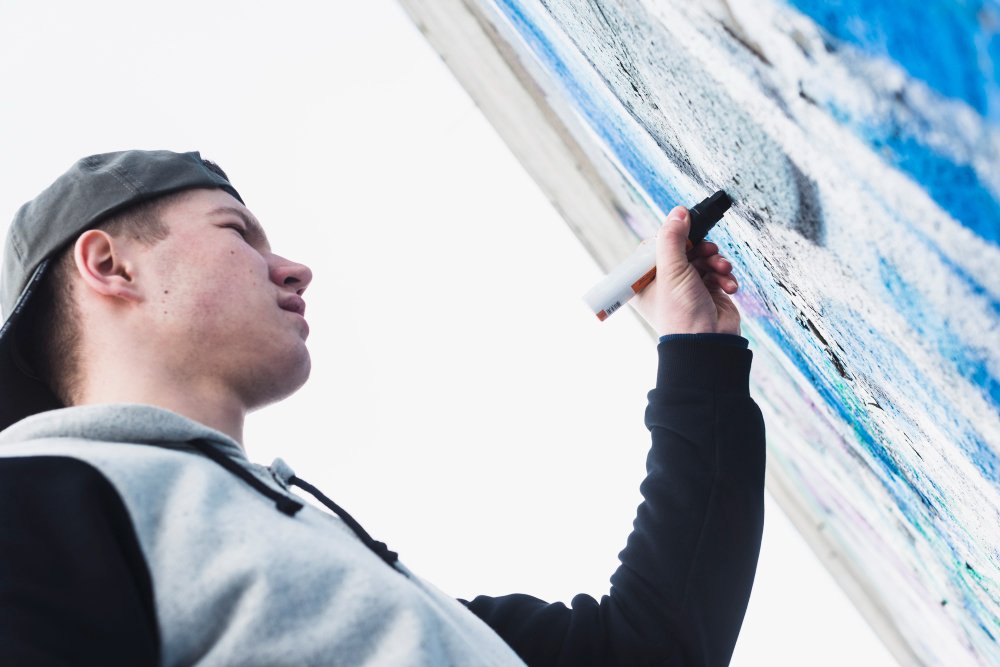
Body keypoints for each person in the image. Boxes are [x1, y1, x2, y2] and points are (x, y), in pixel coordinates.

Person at [0, 150, 764, 666]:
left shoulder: (317, 554)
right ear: (110, 263)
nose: (294, 268)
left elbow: (653, 648)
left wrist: (697, 350)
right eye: (237, 232)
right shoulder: (32, 503)